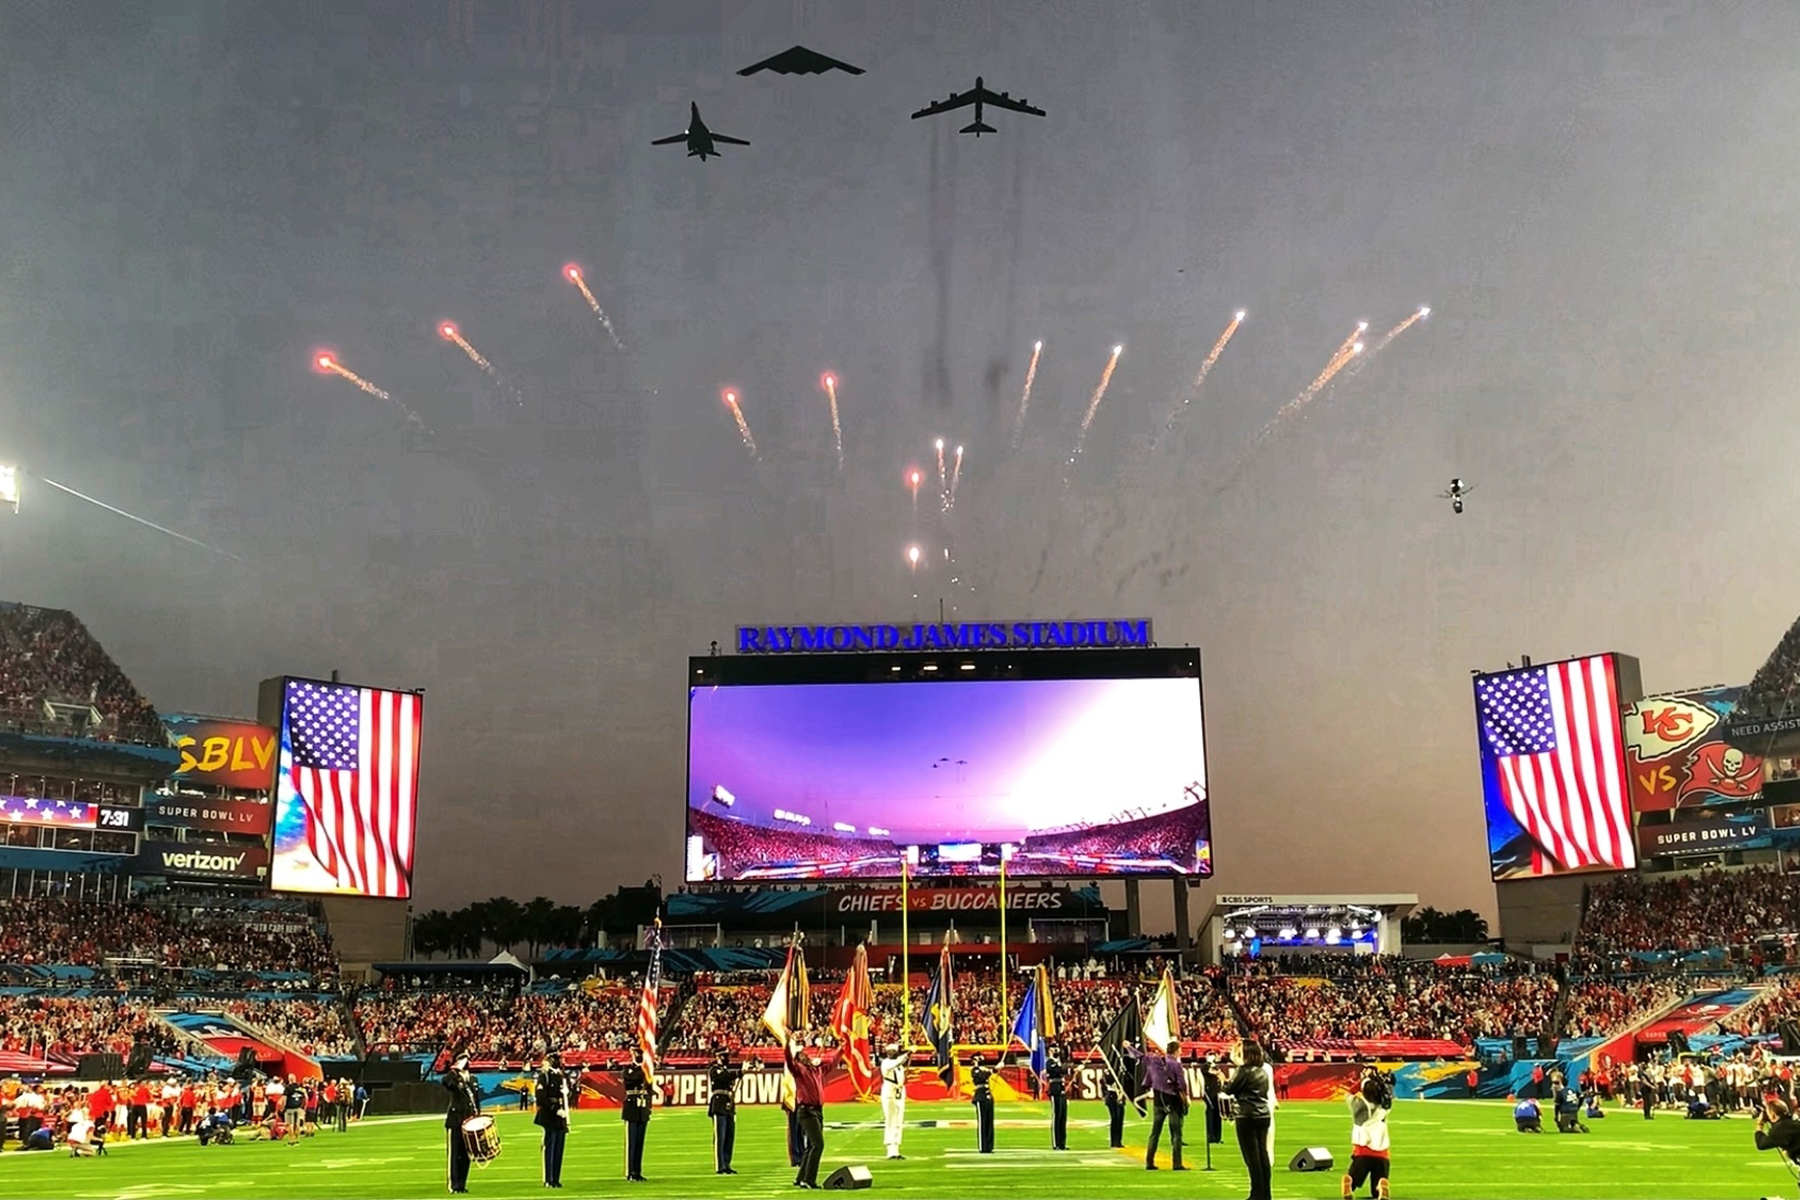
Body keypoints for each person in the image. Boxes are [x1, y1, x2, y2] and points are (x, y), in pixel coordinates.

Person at [1224, 1040, 1275, 1200]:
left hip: (1247, 1116)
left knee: (1251, 1158)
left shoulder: (1243, 1071)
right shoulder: (1263, 1071)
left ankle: (1256, 1194)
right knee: (1262, 1155)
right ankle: (1266, 1193)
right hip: (1263, 1115)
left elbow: (1229, 1090)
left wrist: (1224, 1078)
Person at [1342, 1068, 1392, 1200]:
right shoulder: (1385, 1106)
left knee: (1355, 1177)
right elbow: (1388, 1091)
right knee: (1377, 1187)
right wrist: (1379, 1081)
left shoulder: (1360, 1105)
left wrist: (1362, 1079)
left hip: (1363, 1149)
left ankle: (1350, 1182)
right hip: (1382, 1151)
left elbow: (1348, 1094)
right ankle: (1380, 1185)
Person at [1139, 1040, 1189, 1171]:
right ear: (1176, 1051)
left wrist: (1128, 1047)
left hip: (1158, 1100)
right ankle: (1177, 1163)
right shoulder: (1175, 1065)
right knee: (1176, 1133)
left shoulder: (1155, 1061)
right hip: (1172, 1101)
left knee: (1155, 1132)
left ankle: (1149, 1161)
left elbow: (1141, 1057)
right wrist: (1185, 1096)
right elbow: (1181, 1083)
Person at [787, 1036, 826, 1189]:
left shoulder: (815, 1070)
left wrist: (841, 1050)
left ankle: (800, 1178)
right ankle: (809, 1179)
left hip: (817, 1110)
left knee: (811, 1146)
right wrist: (786, 1048)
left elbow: (832, 1064)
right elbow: (790, 1062)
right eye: (802, 1055)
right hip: (807, 1111)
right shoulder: (799, 1070)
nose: (806, 1055)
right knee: (818, 1144)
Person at [443, 1054, 481, 1195]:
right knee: (454, 1154)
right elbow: (446, 1082)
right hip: (455, 1121)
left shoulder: (472, 1079)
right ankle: (454, 1184)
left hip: (468, 1123)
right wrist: (456, 1069)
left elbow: (476, 1102)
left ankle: (462, 1183)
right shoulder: (454, 1078)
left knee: (466, 1155)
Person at [535, 1050, 573, 1189]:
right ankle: (548, 1178)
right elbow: (541, 1097)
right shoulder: (544, 1076)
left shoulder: (561, 1076)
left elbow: (566, 1095)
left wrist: (568, 1094)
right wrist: (555, 1109)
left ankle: (556, 1178)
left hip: (560, 1115)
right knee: (549, 1147)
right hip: (549, 1115)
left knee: (559, 1148)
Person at [707, 1047, 746, 1174]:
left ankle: (727, 1163)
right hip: (719, 1104)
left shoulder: (725, 1070)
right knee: (720, 1136)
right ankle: (720, 1165)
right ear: (718, 1057)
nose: (726, 1059)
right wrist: (739, 1072)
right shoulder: (714, 1070)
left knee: (729, 1136)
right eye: (724, 1056)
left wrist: (741, 1072)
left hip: (729, 1104)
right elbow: (723, 1077)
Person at [620, 1047, 653, 1183]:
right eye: (637, 1055)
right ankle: (630, 1172)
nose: (639, 1057)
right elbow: (630, 1079)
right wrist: (643, 1071)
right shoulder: (629, 1070)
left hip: (642, 1108)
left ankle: (637, 1171)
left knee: (639, 1142)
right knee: (631, 1142)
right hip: (632, 1107)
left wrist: (649, 1107)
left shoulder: (645, 1072)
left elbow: (649, 1090)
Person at [877, 1044, 909, 1161]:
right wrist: (907, 1055)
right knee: (890, 1120)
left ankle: (896, 1148)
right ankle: (890, 1149)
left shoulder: (899, 1065)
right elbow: (896, 1063)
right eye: (890, 1051)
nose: (891, 1053)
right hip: (889, 1091)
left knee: (898, 1120)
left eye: (893, 1051)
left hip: (899, 1092)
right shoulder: (886, 1063)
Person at [968, 1053, 996, 1154]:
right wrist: (994, 1069)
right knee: (983, 1123)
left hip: (987, 1096)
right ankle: (982, 1146)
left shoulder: (984, 1069)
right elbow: (981, 1076)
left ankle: (989, 1146)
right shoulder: (974, 1070)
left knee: (989, 1122)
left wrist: (995, 1069)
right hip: (980, 1097)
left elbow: (988, 1073)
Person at [1045, 1046, 1069, 1151]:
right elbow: (1056, 1070)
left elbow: (1062, 1069)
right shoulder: (1049, 1062)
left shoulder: (1059, 1061)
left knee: (1063, 1117)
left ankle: (1062, 1143)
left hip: (1061, 1090)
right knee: (1056, 1116)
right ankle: (1056, 1143)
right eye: (1054, 1049)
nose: (1056, 1051)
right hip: (1054, 1090)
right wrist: (1067, 1069)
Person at [1102, 1071, 1127, 1149]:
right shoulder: (1109, 1071)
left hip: (1120, 1095)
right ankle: (1113, 1141)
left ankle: (1118, 1141)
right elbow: (1109, 1081)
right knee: (1115, 1118)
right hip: (1112, 1095)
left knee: (1120, 1119)